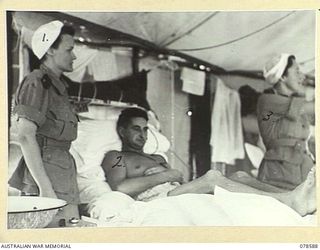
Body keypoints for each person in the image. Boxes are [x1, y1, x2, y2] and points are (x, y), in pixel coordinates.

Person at [102, 108, 316, 216]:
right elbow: (120, 187)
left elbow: (178, 184)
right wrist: (166, 175)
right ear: (122, 131)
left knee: (240, 176)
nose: (143, 134)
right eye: (135, 129)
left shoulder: (156, 157)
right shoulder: (116, 156)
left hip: (175, 193)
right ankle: (289, 203)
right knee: (213, 177)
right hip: (156, 201)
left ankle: (290, 196)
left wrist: (173, 177)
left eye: (145, 129)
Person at [9, 20, 80, 222]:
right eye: (69, 49)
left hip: (62, 172)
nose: (74, 56)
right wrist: (45, 188)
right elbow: (24, 135)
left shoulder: (58, 87)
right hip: (47, 177)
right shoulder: (36, 82)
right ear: (50, 50)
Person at [257, 54, 315, 190]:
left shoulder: (295, 103)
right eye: (297, 71)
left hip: (301, 168)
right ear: (282, 77)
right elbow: (312, 107)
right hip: (279, 172)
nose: (302, 76)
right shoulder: (268, 100)